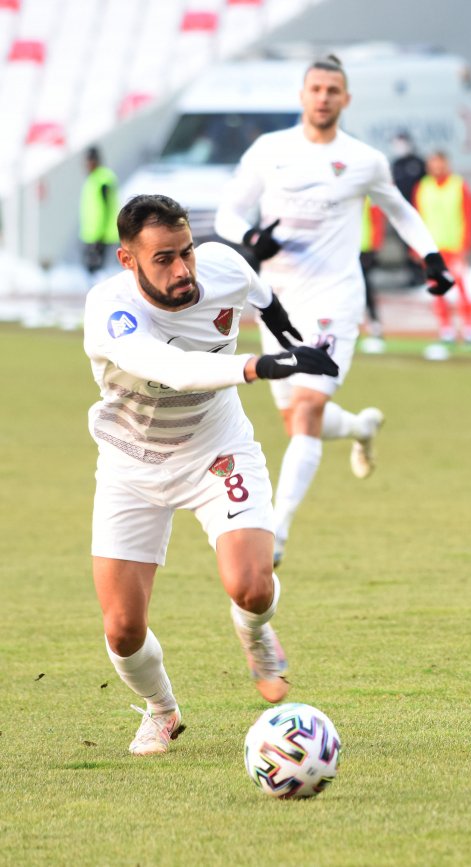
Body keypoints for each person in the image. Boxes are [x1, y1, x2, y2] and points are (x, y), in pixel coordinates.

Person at [84, 194, 340, 756]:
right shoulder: (110, 309)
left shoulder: (222, 266)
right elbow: (173, 369)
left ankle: (255, 633)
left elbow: (259, 291)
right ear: (128, 260)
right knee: (122, 629)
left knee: (252, 587)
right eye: (163, 259)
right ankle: (161, 709)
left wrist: (287, 334)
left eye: (187, 252)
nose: (182, 270)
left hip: (216, 449)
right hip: (131, 465)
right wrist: (263, 364)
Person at [214, 54, 453, 567]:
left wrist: (431, 256)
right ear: (302, 96)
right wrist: (251, 238)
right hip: (277, 302)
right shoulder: (270, 150)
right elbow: (228, 212)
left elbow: (399, 209)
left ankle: (276, 532)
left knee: (307, 410)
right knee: (295, 419)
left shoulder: (364, 160)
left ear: (346, 99)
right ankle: (362, 427)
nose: (323, 98)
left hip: (335, 297)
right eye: (316, 89)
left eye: (333, 90)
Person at [414, 150, 471, 344]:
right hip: (432, 249)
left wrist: (466, 245)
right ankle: (446, 329)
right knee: (438, 290)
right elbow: (416, 219)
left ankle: (469, 328)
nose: (437, 167)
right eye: (433, 164)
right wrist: (416, 246)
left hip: (455, 247)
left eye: (440, 163)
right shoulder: (423, 187)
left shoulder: (458, 185)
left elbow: (468, 216)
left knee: (461, 288)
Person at [390, 130, 429, 287]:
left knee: (421, 243)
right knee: (407, 245)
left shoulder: (418, 163)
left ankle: (424, 274)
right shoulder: (396, 165)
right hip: (402, 213)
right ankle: (414, 274)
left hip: (419, 211)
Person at [79, 146, 119, 274]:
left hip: (102, 237)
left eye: (89, 161)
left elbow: (107, 208)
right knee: (92, 271)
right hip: (91, 235)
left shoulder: (103, 179)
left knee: (100, 272)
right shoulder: (93, 179)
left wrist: (99, 235)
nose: (87, 165)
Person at [359, 195, 387, 353]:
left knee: (365, 288)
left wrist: (375, 247)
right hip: (347, 250)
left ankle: (374, 325)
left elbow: (377, 222)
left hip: (364, 249)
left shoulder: (369, 198)